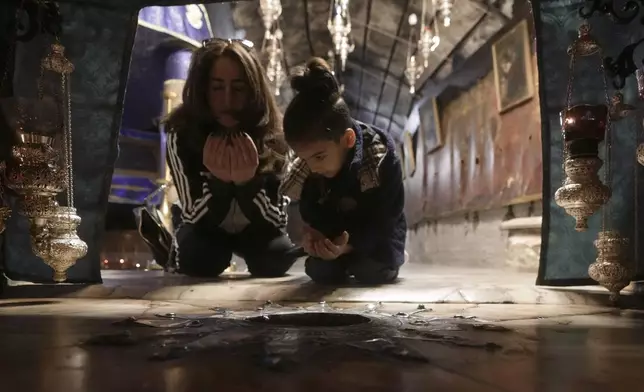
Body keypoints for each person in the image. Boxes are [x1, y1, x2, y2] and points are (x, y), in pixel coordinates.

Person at [164, 38, 299, 278]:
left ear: (253, 90)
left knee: (276, 259)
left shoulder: (275, 138)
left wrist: (247, 185)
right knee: (199, 260)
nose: (227, 101)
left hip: (256, 228)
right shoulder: (183, 135)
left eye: (238, 88)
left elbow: (277, 217)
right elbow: (193, 214)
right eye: (217, 88)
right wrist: (220, 184)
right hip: (206, 228)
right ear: (203, 89)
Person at [279, 57, 406, 285]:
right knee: (320, 273)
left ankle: (388, 262)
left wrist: (347, 246)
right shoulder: (309, 167)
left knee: (370, 271)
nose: (313, 167)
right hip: (335, 238)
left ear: (348, 139)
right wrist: (317, 237)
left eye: (319, 157)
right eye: (304, 159)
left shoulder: (380, 159)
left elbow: (386, 219)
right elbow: (311, 210)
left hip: (378, 236)